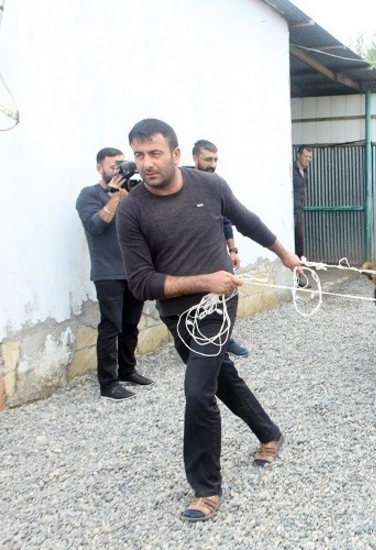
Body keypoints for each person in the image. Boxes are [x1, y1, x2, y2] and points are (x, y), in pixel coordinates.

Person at [117, 119, 301, 522]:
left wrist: (284, 254)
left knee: (198, 390)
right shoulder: (131, 211)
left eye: (155, 153)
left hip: (219, 307)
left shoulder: (209, 186)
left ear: (176, 154)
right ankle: (269, 432)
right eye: (139, 155)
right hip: (176, 314)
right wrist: (204, 280)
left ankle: (205, 488)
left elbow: (247, 220)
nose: (147, 163)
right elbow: (141, 283)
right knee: (220, 378)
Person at [75, 148, 155, 401]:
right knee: (111, 327)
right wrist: (115, 198)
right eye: (113, 166)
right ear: (100, 168)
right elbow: (95, 226)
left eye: (122, 165)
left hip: (133, 270)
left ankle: (127, 370)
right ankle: (108, 384)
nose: (118, 170)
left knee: (131, 325)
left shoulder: (133, 193)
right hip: (107, 272)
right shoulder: (89, 195)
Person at [192, 139, 249, 357]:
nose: (212, 164)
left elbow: (226, 220)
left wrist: (232, 250)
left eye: (215, 159)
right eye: (208, 159)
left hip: (217, 254)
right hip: (193, 257)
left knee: (227, 295)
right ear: (195, 158)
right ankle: (198, 343)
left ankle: (225, 339)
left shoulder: (216, 184)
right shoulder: (185, 185)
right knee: (200, 302)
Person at [293, 144, 313, 259]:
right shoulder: (291, 170)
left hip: (299, 211)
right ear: (298, 155)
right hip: (290, 212)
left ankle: (298, 268)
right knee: (290, 241)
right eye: (306, 156)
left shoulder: (305, 172)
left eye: (310, 157)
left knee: (299, 242)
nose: (308, 159)